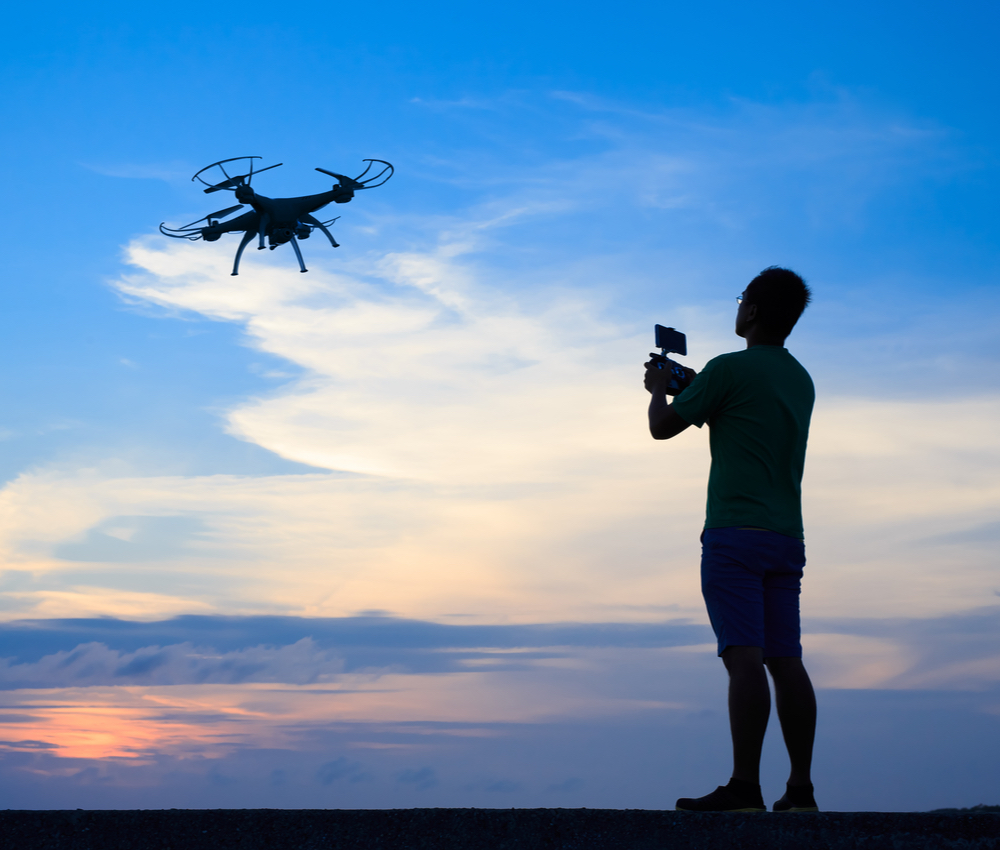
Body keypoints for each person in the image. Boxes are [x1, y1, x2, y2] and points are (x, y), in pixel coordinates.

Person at [643, 266, 818, 813]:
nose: (738, 306)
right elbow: (743, 411)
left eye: (743, 298)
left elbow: (663, 427)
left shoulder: (727, 369)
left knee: (743, 658)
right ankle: (801, 789)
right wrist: (702, 389)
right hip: (786, 536)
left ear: (754, 312)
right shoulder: (800, 378)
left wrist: (657, 392)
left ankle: (745, 786)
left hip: (734, 535)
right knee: (785, 660)